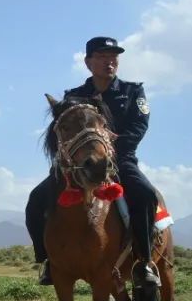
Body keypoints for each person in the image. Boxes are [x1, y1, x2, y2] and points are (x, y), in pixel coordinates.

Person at [25, 36, 161, 287]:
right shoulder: (74, 96)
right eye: (101, 57)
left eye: (113, 57)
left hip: (120, 160)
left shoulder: (133, 91)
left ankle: (144, 263)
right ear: (88, 63)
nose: (109, 62)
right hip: (77, 165)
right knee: (35, 200)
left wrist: (111, 149)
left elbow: (139, 126)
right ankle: (47, 261)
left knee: (145, 195)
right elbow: (59, 132)